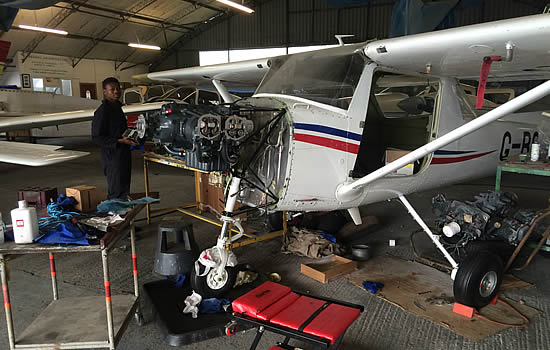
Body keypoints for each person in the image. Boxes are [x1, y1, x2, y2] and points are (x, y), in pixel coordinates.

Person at [92, 77, 137, 200]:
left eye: (118, 89)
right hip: (112, 157)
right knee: (116, 189)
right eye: (112, 89)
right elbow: (97, 138)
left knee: (124, 187)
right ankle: (115, 215)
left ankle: (122, 214)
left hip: (123, 153)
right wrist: (118, 141)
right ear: (105, 92)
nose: (116, 91)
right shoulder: (102, 112)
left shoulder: (118, 108)